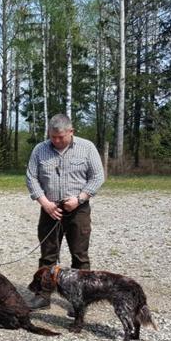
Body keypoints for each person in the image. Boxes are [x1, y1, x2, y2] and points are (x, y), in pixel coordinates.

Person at [26, 114, 105, 307]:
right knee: (48, 255)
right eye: (52, 137)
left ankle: (81, 300)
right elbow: (31, 177)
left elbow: (97, 177)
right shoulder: (40, 150)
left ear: (71, 132)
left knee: (80, 256)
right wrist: (45, 203)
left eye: (60, 137)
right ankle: (43, 295)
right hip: (50, 209)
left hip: (78, 209)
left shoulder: (87, 148)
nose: (56, 141)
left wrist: (79, 199)